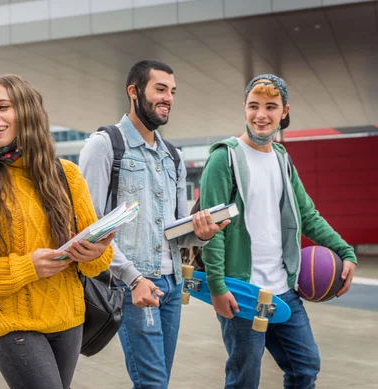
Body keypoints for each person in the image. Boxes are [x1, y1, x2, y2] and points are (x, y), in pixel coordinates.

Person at [0, 74, 114, 389]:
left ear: (28, 113)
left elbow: (97, 264)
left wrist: (96, 252)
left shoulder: (69, 175)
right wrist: (26, 267)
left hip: (69, 321)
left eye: (3, 107)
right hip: (11, 323)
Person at [199, 73, 357, 389]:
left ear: (284, 111)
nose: (261, 115)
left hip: (283, 288)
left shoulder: (282, 159)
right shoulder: (224, 158)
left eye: (271, 106)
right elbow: (212, 228)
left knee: (305, 369)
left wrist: (345, 252)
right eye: (253, 106)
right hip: (242, 291)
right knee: (245, 380)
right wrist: (217, 286)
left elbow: (308, 216)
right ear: (244, 108)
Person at [79, 59, 227, 389]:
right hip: (133, 283)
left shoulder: (171, 155)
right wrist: (133, 280)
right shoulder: (104, 145)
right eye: (160, 89)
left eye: (172, 91)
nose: (168, 98)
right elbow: (90, 227)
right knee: (153, 383)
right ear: (134, 92)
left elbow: (174, 231)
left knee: (156, 381)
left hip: (171, 284)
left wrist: (201, 234)